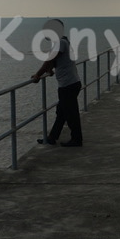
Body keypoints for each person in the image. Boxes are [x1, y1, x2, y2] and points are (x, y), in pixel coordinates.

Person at [30, 18, 83, 147]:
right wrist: (50, 70)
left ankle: (77, 139)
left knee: (71, 114)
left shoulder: (60, 43)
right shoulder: (60, 42)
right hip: (69, 83)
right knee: (61, 113)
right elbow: (53, 62)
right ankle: (52, 137)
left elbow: (50, 60)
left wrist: (38, 75)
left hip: (68, 85)